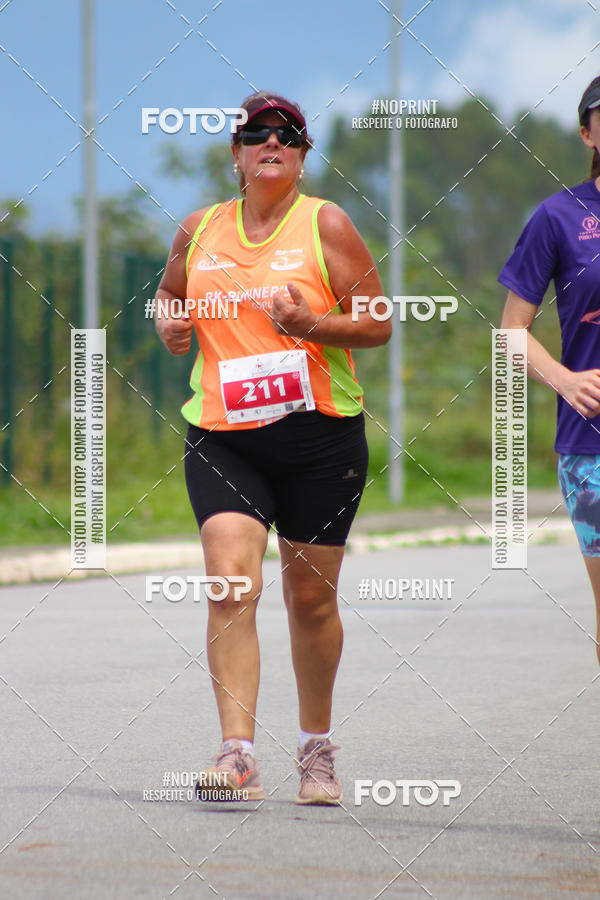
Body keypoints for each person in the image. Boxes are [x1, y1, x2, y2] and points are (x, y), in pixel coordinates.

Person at [155, 91, 390, 804]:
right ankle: (237, 756)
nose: (271, 143)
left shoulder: (328, 224)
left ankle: (316, 751)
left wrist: (312, 325)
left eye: (287, 134)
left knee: (309, 600)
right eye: (256, 134)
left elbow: (378, 321)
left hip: (320, 437)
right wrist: (168, 323)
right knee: (231, 581)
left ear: (302, 154)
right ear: (235, 153)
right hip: (225, 437)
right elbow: (168, 294)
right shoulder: (199, 229)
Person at [499, 75, 600, 666]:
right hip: (590, 446)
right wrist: (564, 380)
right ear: (587, 131)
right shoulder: (558, 217)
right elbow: (511, 332)